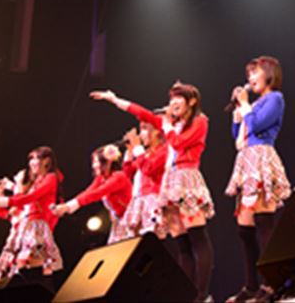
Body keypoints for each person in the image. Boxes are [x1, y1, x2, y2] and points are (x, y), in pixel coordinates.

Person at [91, 82, 216, 301]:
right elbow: (143, 113)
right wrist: (114, 99)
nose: (172, 103)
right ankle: (186, 296)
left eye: (178, 98)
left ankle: (202, 295)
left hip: (187, 179)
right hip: (170, 184)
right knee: (182, 245)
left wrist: (166, 125)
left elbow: (179, 144)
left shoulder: (200, 121)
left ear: (191, 101)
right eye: (171, 99)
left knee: (197, 238)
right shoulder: (171, 125)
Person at [224, 56, 291, 303]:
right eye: (249, 74)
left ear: (269, 74)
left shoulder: (275, 98)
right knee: (245, 228)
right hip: (245, 159)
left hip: (261, 157)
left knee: (264, 221)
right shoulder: (253, 104)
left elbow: (259, 124)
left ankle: (274, 283)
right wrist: (238, 112)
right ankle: (251, 285)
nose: (250, 78)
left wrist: (245, 105)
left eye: (255, 72)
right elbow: (239, 133)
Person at [0, 147, 64, 284]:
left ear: (47, 160)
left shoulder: (50, 178)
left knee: (34, 265)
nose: (32, 162)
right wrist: (1, 194)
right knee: (19, 268)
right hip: (24, 229)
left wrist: (5, 200)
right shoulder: (36, 183)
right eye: (31, 159)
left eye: (36, 158)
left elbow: (30, 196)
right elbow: (19, 200)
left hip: (36, 227)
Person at [53, 144, 133, 243]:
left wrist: (68, 206)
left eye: (96, 162)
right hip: (120, 221)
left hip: (131, 218)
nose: (93, 166)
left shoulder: (118, 177)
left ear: (107, 162)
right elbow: (88, 192)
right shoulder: (101, 179)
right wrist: (67, 206)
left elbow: (97, 193)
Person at [119, 120, 169, 240]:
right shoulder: (145, 153)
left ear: (157, 131)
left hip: (153, 197)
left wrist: (137, 148)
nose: (141, 134)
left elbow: (149, 169)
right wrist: (130, 151)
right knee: (135, 240)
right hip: (139, 198)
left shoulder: (164, 150)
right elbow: (128, 173)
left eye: (144, 129)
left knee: (152, 238)